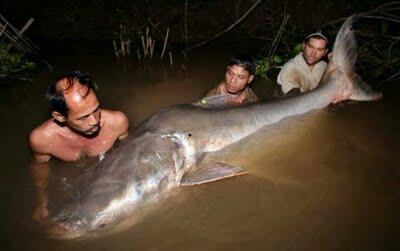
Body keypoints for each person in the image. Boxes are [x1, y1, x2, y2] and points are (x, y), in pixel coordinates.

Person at [29, 71, 129, 221]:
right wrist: (42, 201)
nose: (94, 121)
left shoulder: (117, 122)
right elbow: (40, 167)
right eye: (83, 117)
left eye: (96, 110)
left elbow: (131, 154)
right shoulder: (42, 139)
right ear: (60, 117)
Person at [277, 32, 329, 96]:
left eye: (319, 49)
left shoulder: (324, 66)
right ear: (304, 46)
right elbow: (292, 97)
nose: (313, 53)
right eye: (310, 47)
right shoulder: (291, 67)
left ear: (325, 52)